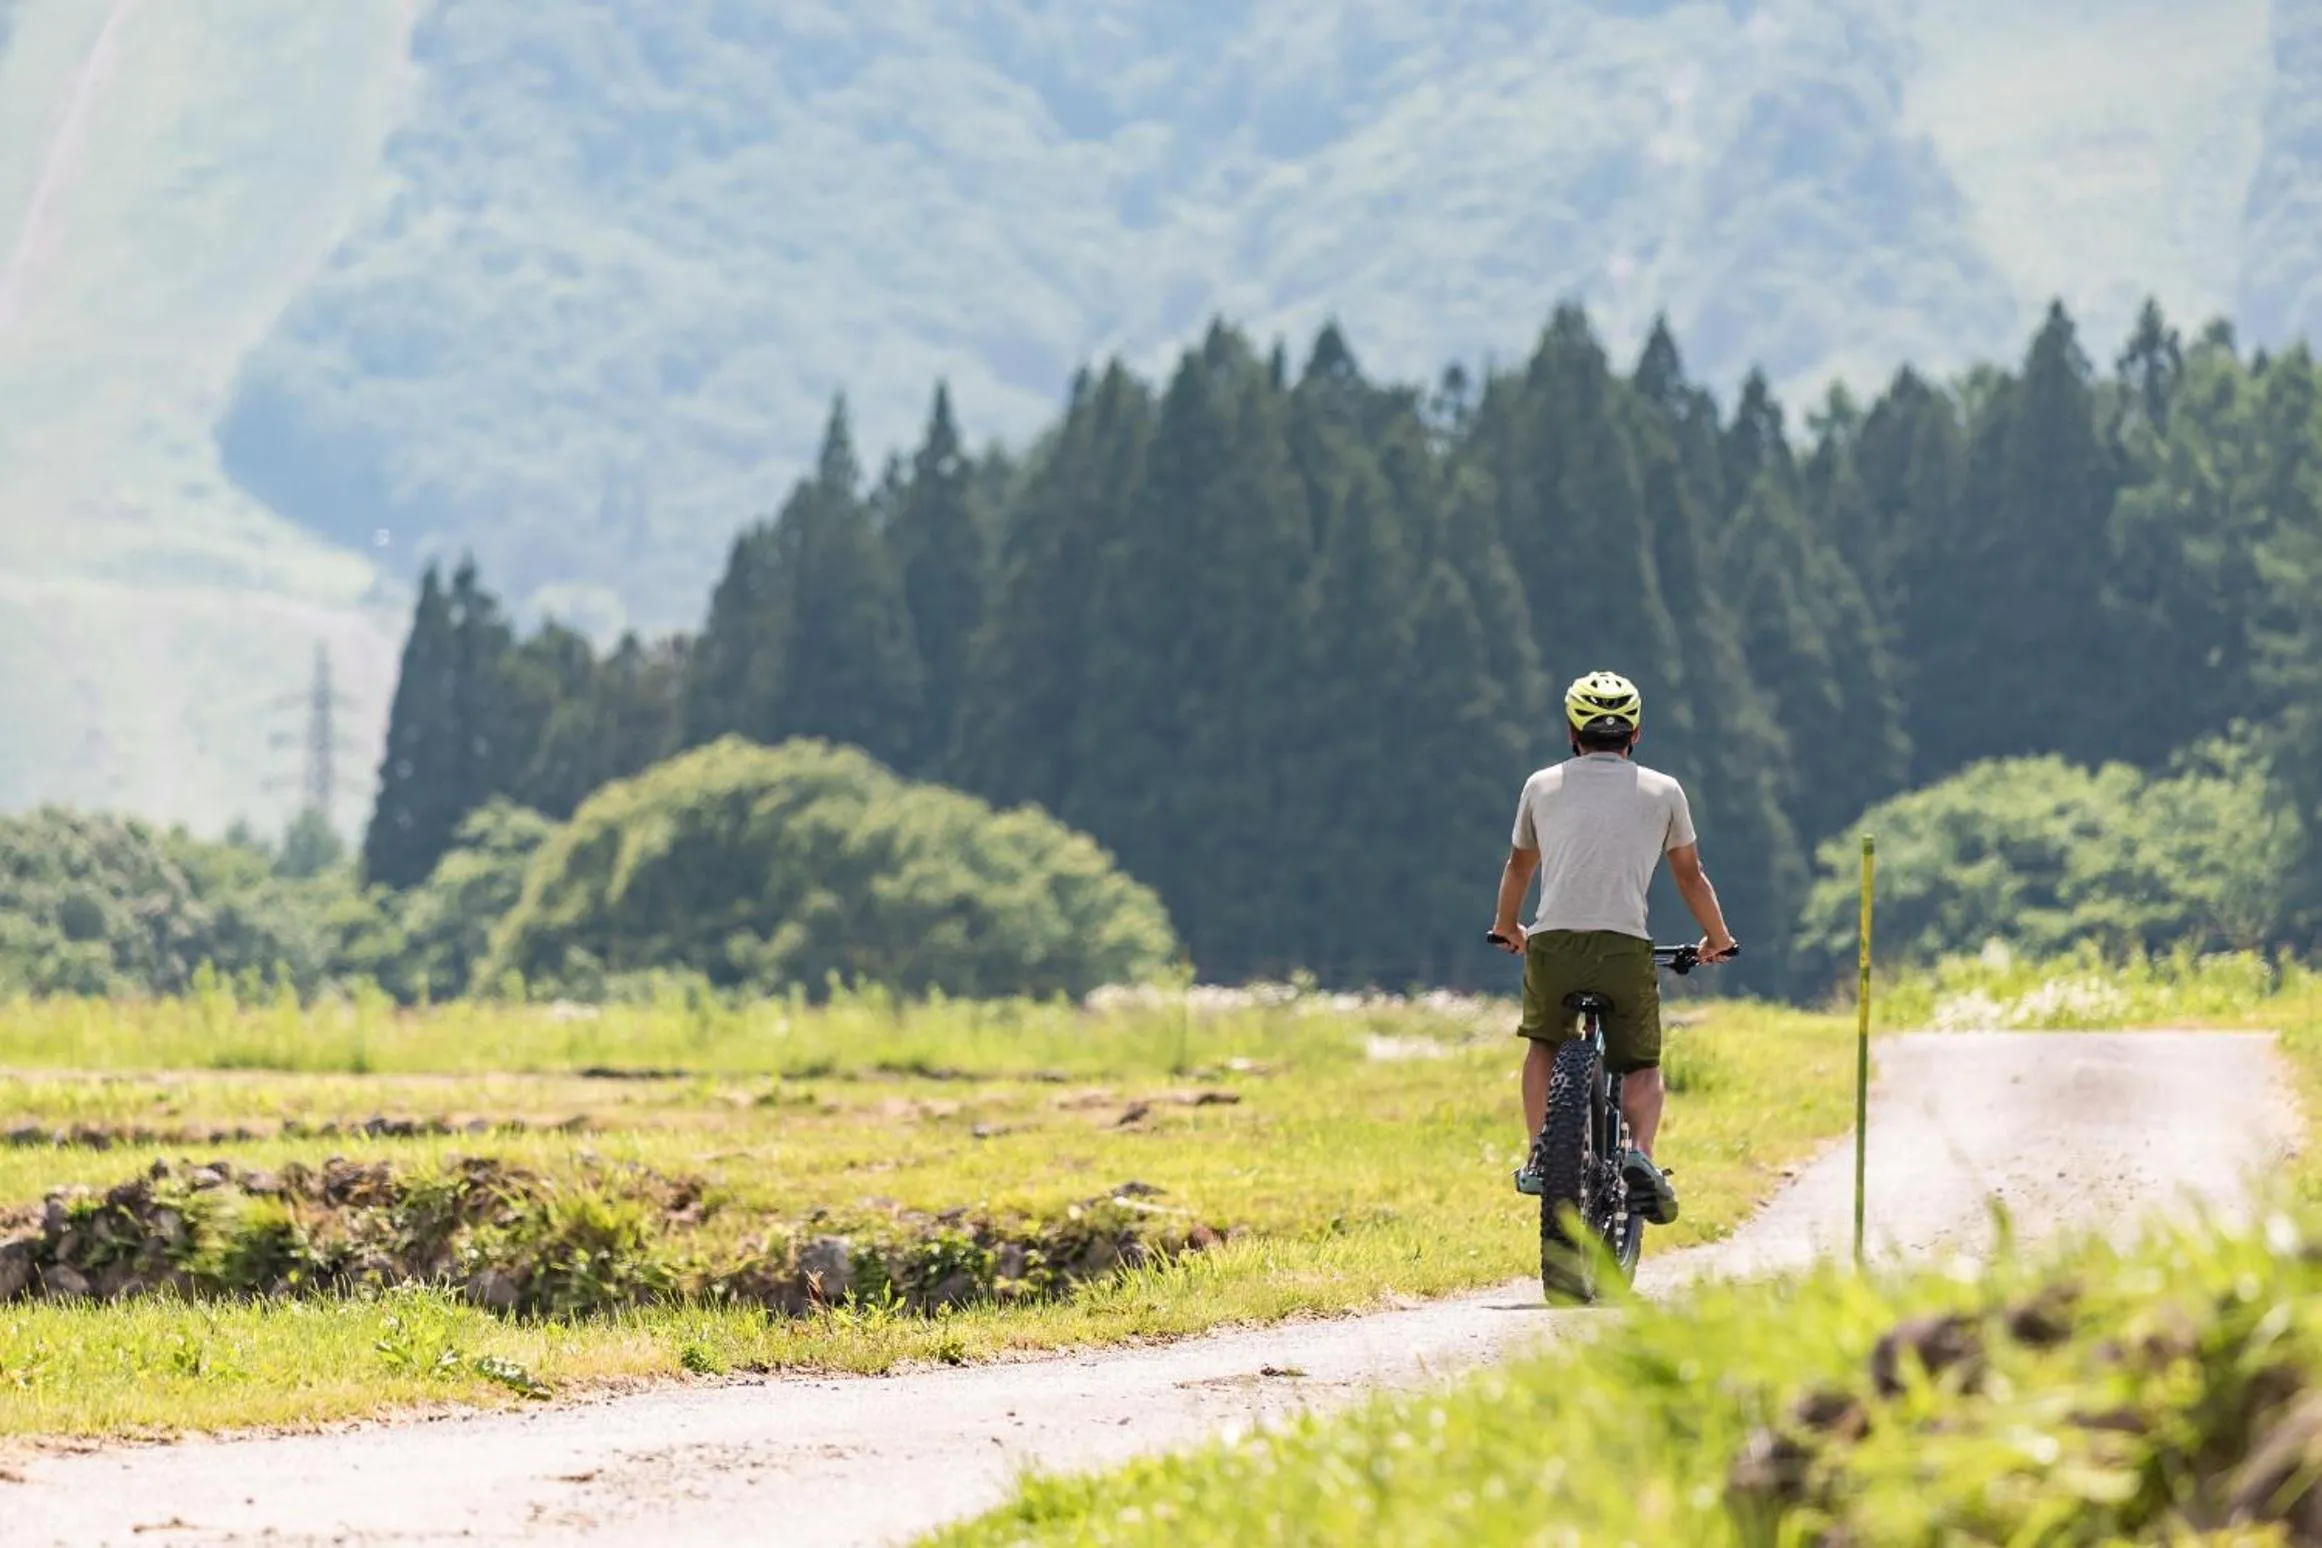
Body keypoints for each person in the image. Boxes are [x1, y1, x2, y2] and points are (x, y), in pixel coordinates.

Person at [1489, 670, 1738, 1225]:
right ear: (1636, 733)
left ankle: (1538, 1155)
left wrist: (1509, 927)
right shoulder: (1664, 790)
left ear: (1571, 732)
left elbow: (1519, 867)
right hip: (1625, 948)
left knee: (1544, 1045)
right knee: (1642, 1062)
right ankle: (1640, 1155)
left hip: (1553, 944)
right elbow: (1691, 877)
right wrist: (1718, 940)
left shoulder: (1539, 785)